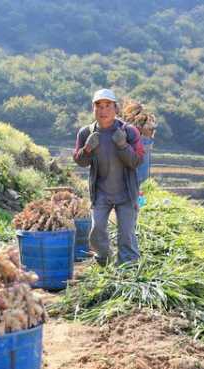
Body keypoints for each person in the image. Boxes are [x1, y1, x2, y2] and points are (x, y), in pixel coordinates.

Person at [73, 89, 144, 265]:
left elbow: (136, 161)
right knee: (97, 230)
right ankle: (103, 260)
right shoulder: (86, 133)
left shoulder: (129, 132)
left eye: (107, 106)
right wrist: (87, 149)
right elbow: (80, 161)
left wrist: (122, 145)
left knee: (126, 233)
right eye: (98, 106)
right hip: (101, 192)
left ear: (116, 108)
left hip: (126, 193)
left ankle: (128, 268)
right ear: (93, 109)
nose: (103, 110)